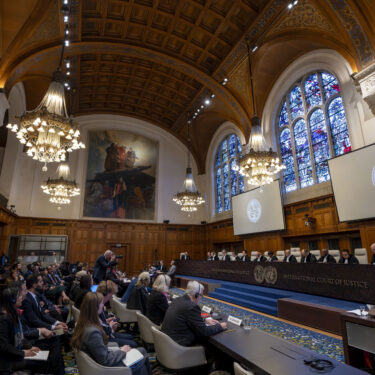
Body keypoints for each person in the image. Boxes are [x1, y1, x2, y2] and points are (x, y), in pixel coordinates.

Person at [71, 292, 151, 375]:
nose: (103, 305)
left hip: (96, 363)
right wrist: (122, 351)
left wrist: (119, 350)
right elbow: (106, 360)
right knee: (142, 353)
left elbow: (100, 351)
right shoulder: (92, 332)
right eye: (101, 303)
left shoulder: (84, 322)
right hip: (104, 369)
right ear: (95, 307)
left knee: (141, 361)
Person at [0, 287, 65, 375]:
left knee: (47, 355)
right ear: (12, 300)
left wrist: (29, 347)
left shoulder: (14, 313)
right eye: (19, 296)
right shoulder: (4, 319)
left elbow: (20, 337)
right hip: (8, 361)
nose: (21, 297)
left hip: (16, 354)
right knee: (44, 361)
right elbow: (4, 346)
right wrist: (23, 353)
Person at [162, 280, 226, 347]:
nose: (201, 298)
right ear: (196, 295)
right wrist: (220, 326)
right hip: (179, 346)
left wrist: (204, 320)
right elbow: (204, 331)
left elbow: (186, 318)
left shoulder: (177, 300)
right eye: (201, 295)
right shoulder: (191, 306)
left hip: (168, 342)